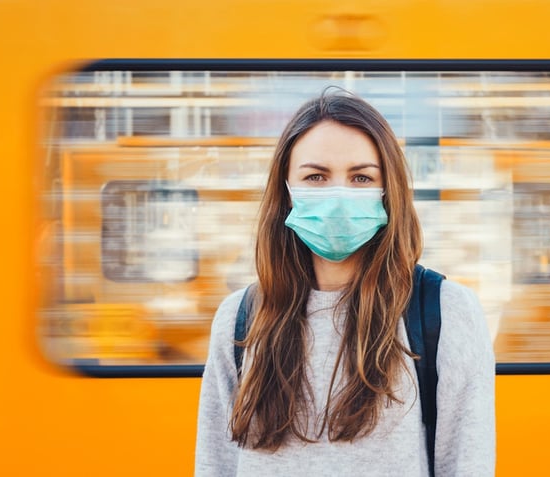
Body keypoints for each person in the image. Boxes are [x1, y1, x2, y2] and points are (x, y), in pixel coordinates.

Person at [195, 89, 495, 476]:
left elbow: (467, 465)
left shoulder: (446, 313)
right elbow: (216, 465)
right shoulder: (240, 318)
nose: (338, 196)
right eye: (316, 177)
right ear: (286, 193)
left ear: (389, 192)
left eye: (361, 177)